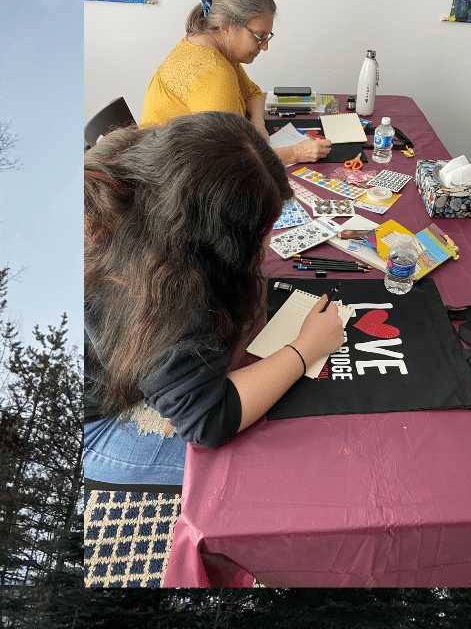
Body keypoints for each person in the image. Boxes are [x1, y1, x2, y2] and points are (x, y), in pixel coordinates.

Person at [83, 112, 345, 486]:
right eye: (262, 234)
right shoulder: (160, 293)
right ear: (217, 243)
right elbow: (208, 420)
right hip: (89, 427)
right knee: (268, 469)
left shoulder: (128, 184)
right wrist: (307, 348)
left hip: (109, 361)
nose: (267, 245)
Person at [139, 0, 330, 164]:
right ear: (227, 25)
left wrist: (258, 124)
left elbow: (252, 92)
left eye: (267, 37)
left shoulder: (209, 46)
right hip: (170, 178)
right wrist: (296, 153)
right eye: (259, 36)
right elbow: (232, 161)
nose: (264, 47)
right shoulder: (215, 74)